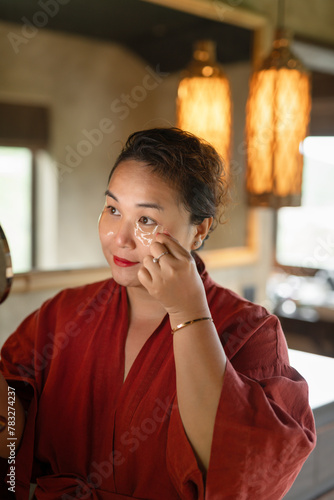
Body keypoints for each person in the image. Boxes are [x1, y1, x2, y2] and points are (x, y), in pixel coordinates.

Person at [0, 127, 315, 499]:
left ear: (199, 231)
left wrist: (188, 311)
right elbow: (15, 396)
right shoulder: (64, 313)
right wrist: (11, 416)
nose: (121, 237)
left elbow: (244, 465)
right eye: (113, 210)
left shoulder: (251, 332)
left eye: (146, 220)